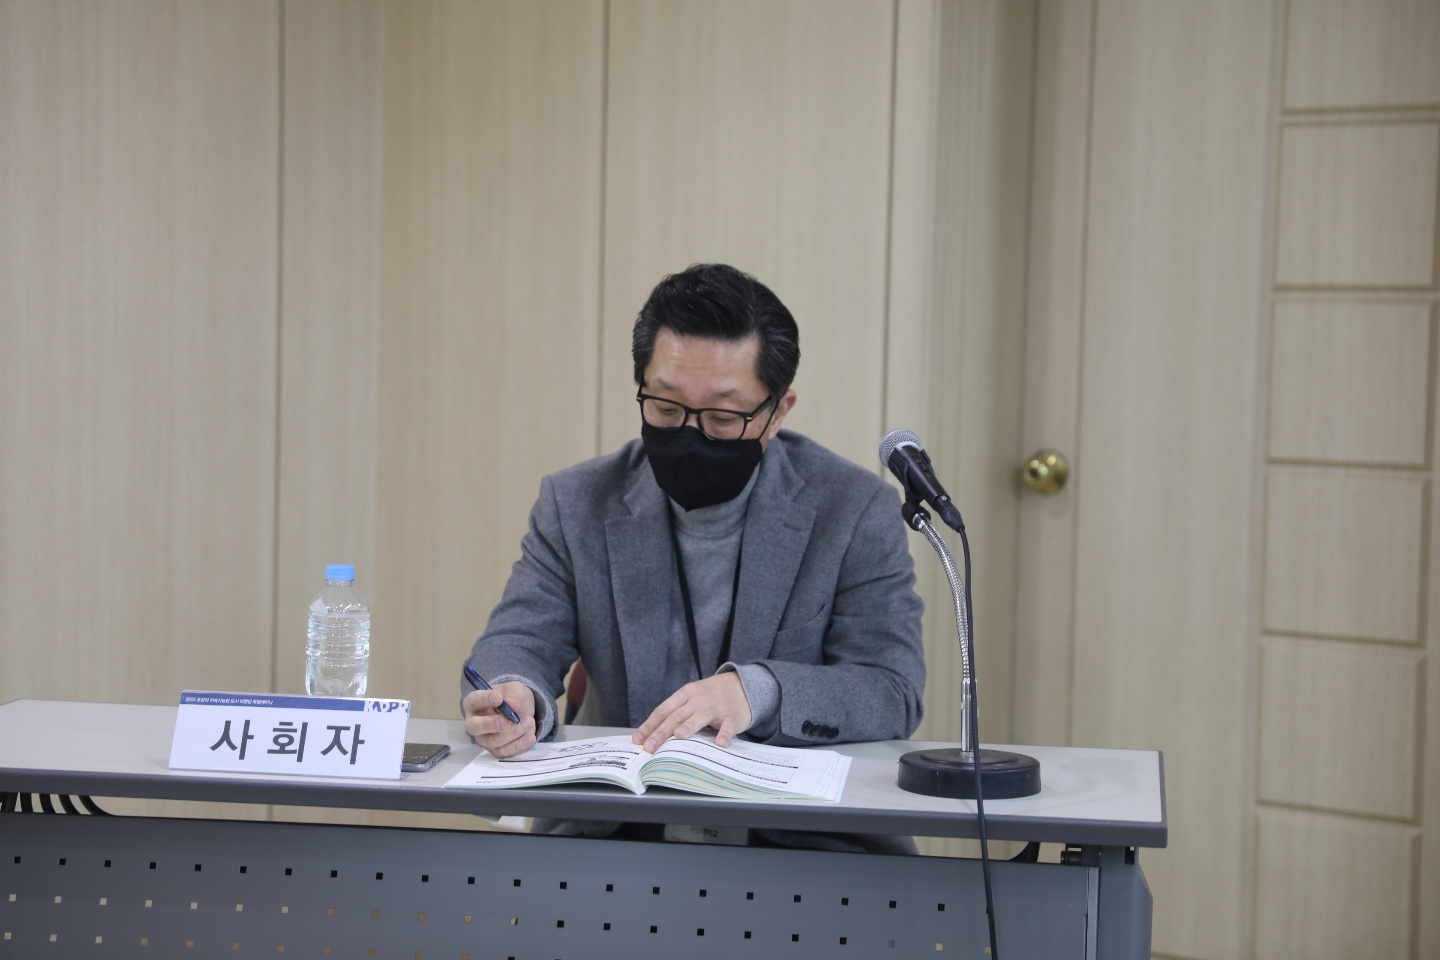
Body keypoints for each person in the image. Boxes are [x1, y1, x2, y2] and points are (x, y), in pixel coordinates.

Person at [462, 263, 925, 852]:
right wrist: (513, 693)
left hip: (797, 841)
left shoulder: (853, 509)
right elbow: (519, 638)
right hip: (617, 834)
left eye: (723, 417)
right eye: (666, 407)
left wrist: (757, 692)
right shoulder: (577, 502)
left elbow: (891, 688)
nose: (689, 432)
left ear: (778, 412)